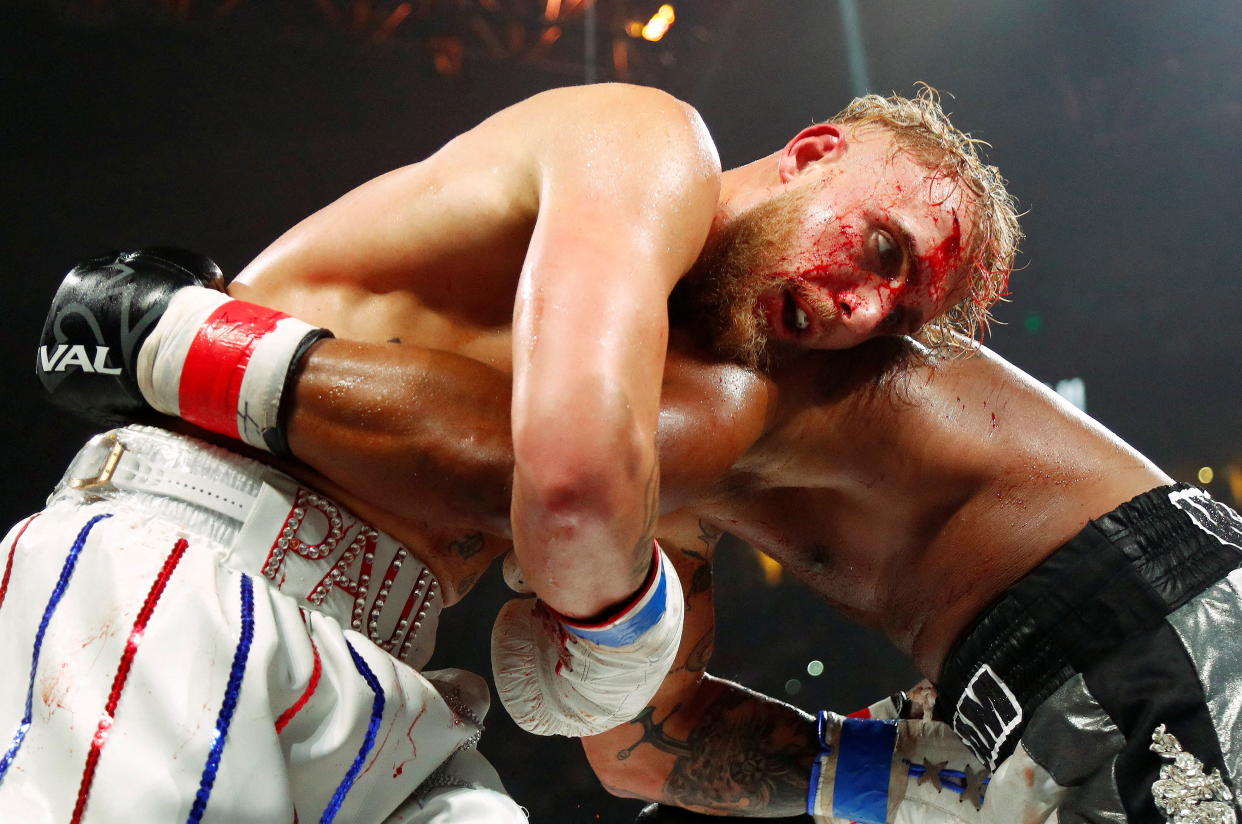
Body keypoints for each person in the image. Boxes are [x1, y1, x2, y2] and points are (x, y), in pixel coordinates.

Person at [15, 83, 1016, 823]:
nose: (863, 306)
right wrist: (621, 620)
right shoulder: (650, 145)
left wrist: (913, 774)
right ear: (811, 153)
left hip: (385, 676)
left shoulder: (688, 419)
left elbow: (639, 742)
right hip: (192, 576)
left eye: (897, 315)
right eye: (884, 249)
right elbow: (572, 481)